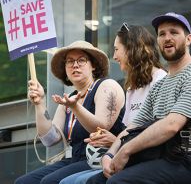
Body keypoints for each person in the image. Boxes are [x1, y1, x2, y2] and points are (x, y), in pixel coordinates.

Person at [87, 12, 191, 184]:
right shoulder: (159, 85)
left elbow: (172, 125)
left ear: (188, 39)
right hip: (167, 159)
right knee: (95, 182)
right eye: (162, 34)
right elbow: (133, 126)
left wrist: (126, 150)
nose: (167, 38)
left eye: (174, 32)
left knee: (118, 182)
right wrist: (110, 155)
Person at [59, 24, 167, 184]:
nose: (114, 56)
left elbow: (158, 131)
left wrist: (116, 145)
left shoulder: (160, 80)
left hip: (150, 158)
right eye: (69, 62)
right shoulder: (131, 88)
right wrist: (112, 149)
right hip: (127, 157)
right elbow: (129, 130)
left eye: (116, 49)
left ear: (132, 48)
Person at [15, 40, 125, 184]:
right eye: (70, 61)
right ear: (65, 70)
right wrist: (40, 103)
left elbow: (101, 128)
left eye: (81, 60)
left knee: (50, 182)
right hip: (73, 160)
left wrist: (75, 107)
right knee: (23, 182)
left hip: (100, 158)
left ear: (93, 66)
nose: (75, 65)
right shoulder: (69, 99)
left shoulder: (106, 86)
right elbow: (50, 139)